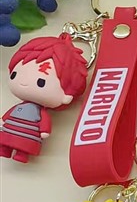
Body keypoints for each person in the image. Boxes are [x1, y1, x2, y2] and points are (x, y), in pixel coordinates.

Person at [1, 34, 87, 163]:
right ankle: (5, 149)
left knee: (24, 145)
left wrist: (44, 130)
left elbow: (45, 122)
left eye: (41, 82)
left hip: (28, 136)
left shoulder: (40, 112)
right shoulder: (21, 107)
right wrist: (3, 120)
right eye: (14, 75)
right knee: (5, 139)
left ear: (66, 96)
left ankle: (22, 154)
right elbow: (8, 114)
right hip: (10, 130)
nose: (24, 83)